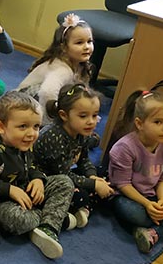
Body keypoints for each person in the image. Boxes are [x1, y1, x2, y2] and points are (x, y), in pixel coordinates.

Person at [0, 91, 74, 259]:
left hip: (27, 190)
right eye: (23, 127)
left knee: (64, 182)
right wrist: (9, 190)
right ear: (1, 127)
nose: (31, 133)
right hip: (6, 201)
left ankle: (48, 228)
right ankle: (53, 216)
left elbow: (32, 165)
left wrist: (38, 178)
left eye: (36, 126)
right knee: (15, 219)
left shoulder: (26, 142)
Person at [108, 88, 163, 252]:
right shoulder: (124, 148)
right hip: (125, 196)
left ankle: (155, 232)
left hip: (151, 195)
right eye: (158, 122)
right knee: (135, 214)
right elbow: (122, 185)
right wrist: (147, 204)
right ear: (139, 124)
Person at [35, 83, 115, 228]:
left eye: (95, 115)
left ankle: (82, 208)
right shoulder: (53, 136)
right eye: (83, 116)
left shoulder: (81, 131)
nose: (91, 121)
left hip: (65, 173)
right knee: (81, 194)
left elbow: (84, 159)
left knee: (105, 175)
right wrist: (94, 185)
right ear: (64, 115)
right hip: (47, 179)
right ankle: (77, 209)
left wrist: (92, 176)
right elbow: (63, 174)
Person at [18, 13, 94, 123]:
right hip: (23, 101)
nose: (86, 47)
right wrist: (48, 122)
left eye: (89, 41)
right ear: (64, 47)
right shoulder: (63, 70)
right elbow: (47, 93)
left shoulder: (79, 64)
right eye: (79, 43)